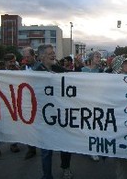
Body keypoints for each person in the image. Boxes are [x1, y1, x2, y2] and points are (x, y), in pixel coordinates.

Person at [33, 44, 73, 179]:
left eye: (54, 53)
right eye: (50, 53)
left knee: (65, 145)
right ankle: (47, 176)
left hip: (61, 114)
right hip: (44, 117)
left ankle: (65, 167)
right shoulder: (35, 72)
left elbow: (74, 78)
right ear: (42, 56)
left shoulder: (58, 69)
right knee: (46, 150)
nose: (53, 55)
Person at [81, 51, 102, 162]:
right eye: (97, 56)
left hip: (97, 102)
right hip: (85, 102)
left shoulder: (101, 71)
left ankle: (93, 150)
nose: (99, 58)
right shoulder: (82, 71)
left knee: (95, 125)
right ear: (91, 58)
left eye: (100, 57)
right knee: (87, 125)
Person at [21, 47, 38, 160]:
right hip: (27, 100)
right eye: (24, 57)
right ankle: (31, 148)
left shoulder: (40, 67)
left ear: (33, 56)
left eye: (28, 56)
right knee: (28, 125)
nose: (26, 59)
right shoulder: (22, 68)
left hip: (38, 100)